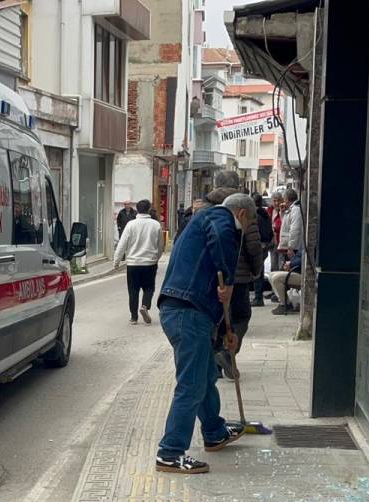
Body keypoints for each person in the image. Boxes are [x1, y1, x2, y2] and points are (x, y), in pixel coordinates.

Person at [154, 195, 248, 474]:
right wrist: (228, 280)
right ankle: (170, 452)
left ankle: (214, 431)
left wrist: (222, 337)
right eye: (247, 223)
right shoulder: (218, 217)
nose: (242, 232)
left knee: (205, 376)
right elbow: (219, 235)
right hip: (186, 313)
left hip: (187, 312)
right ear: (241, 213)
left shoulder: (203, 221)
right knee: (192, 384)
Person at [215, 193, 264, 378]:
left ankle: (216, 364)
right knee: (241, 316)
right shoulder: (245, 213)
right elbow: (254, 247)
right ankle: (228, 354)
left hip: (216, 278)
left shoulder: (214, 211)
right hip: (239, 277)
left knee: (219, 319)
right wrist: (256, 270)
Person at [113, 199, 165, 325]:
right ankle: (145, 306)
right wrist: (156, 258)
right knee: (149, 288)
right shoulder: (155, 225)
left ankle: (134, 317)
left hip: (133, 263)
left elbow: (122, 244)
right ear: (148, 209)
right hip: (149, 263)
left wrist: (116, 261)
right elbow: (160, 246)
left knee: (133, 290)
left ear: (137, 209)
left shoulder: (131, 225)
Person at [251, 192, 273, 307]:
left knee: (257, 272)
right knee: (259, 271)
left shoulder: (256, 216)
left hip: (259, 245)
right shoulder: (265, 214)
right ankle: (258, 296)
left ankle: (258, 297)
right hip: (265, 245)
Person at [270, 248, 303, 315]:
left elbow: (303, 260)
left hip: (304, 275)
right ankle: (285, 302)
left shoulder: (311, 245)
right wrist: (288, 263)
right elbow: (297, 258)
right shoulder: (303, 245)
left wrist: (290, 263)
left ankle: (284, 304)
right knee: (271, 275)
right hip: (296, 271)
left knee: (276, 278)